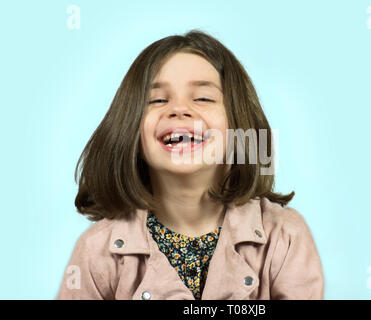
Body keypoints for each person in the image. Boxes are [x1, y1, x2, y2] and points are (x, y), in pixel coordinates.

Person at [56, 29, 324, 300]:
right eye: (158, 100)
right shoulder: (95, 251)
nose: (179, 109)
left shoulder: (285, 236)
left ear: (239, 125)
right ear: (130, 131)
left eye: (203, 98)